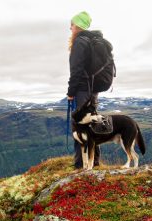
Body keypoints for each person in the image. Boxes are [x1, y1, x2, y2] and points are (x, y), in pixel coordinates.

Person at [67, 11, 101, 169]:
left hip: (82, 90)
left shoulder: (80, 42)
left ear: (78, 26)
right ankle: (94, 162)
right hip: (93, 90)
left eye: (72, 25)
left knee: (80, 126)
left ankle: (80, 164)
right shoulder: (91, 41)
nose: (70, 28)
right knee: (92, 125)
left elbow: (76, 70)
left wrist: (70, 92)